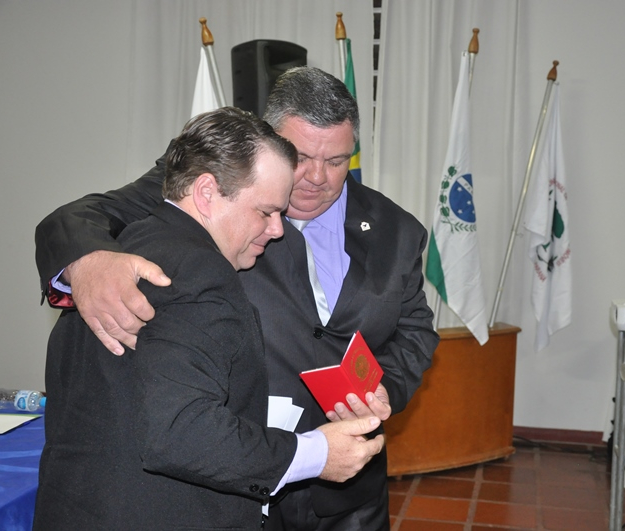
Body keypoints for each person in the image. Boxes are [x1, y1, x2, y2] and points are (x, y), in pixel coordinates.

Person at [35, 67, 440, 530]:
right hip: (225, 473)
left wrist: (384, 387)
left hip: (347, 489)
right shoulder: (214, 183)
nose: (316, 177)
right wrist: (87, 263)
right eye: (301, 157)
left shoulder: (396, 229)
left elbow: (415, 330)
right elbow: (79, 217)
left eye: (336, 161)